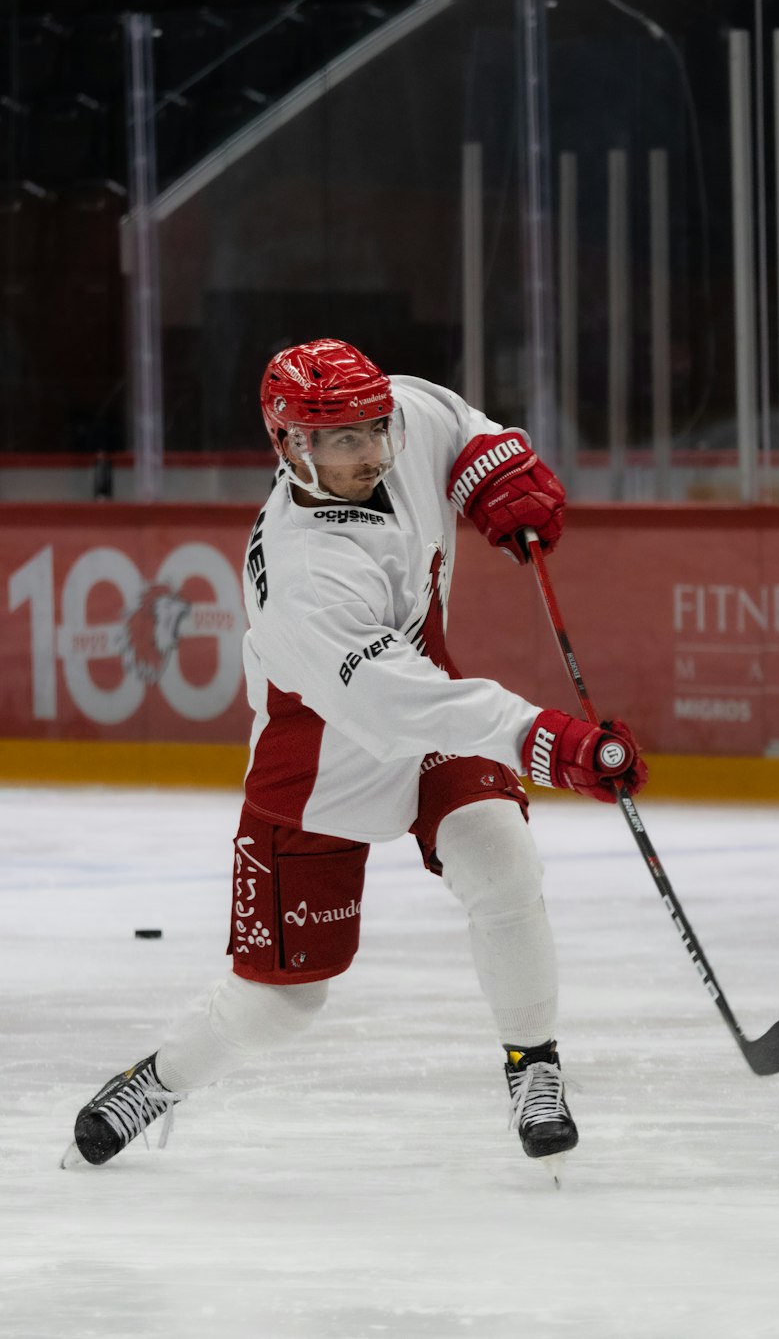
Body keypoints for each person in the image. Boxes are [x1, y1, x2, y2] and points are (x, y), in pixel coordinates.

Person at [63, 339, 647, 1176]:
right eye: (345, 440)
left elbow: (451, 420)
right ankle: (156, 1081)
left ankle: (533, 1065)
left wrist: (494, 470)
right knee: (280, 1005)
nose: (372, 451)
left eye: (374, 429)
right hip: (321, 762)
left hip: (432, 714)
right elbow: (393, 702)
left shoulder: (392, 419)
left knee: (503, 863)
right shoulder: (305, 570)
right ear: (290, 444)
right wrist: (541, 741)